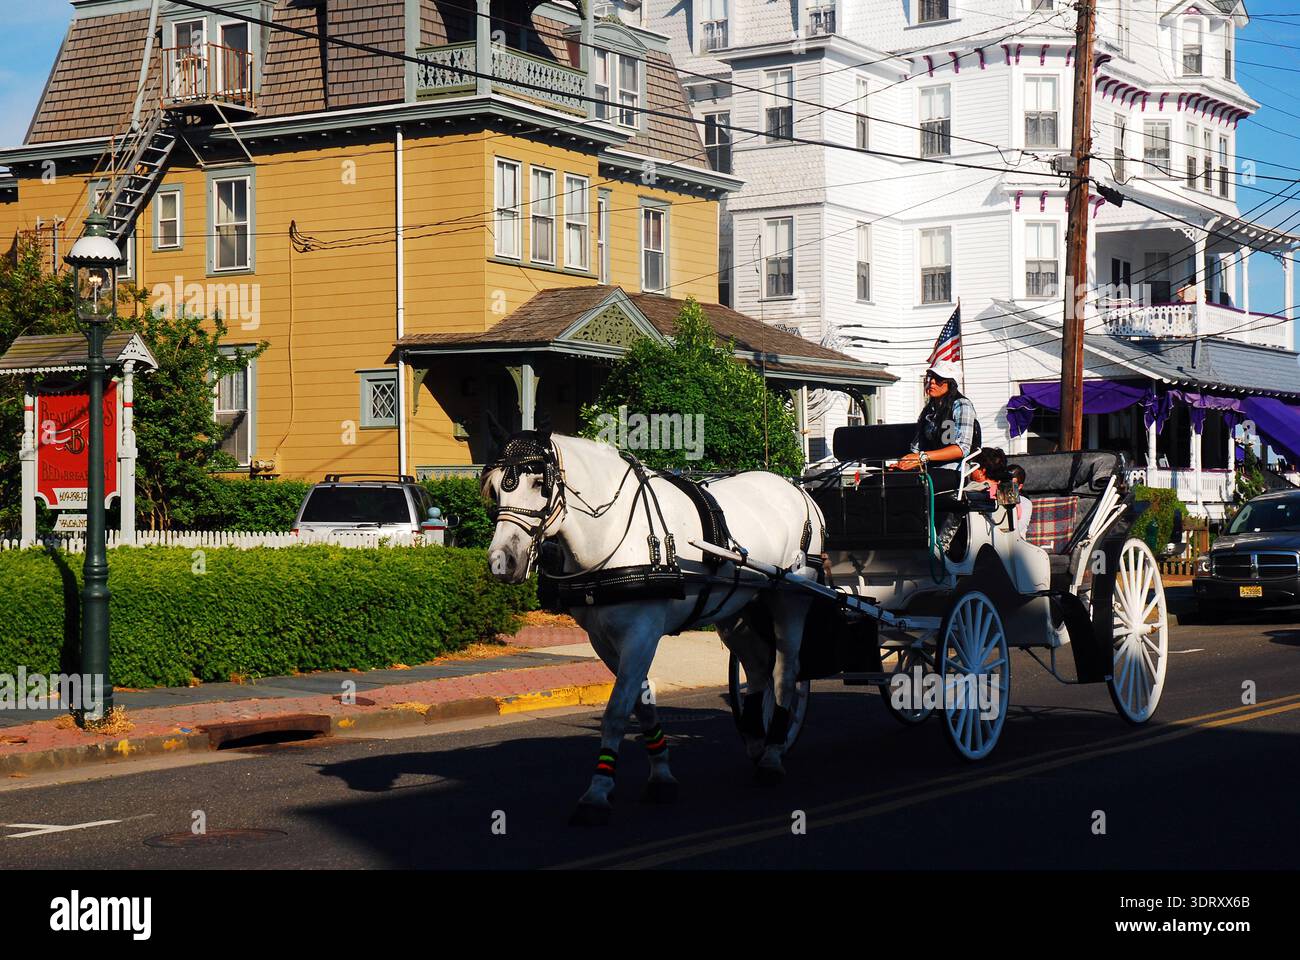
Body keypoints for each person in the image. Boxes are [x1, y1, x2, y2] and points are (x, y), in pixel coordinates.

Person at [892, 359, 982, 495]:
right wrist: (905, 464)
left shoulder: (962, 405)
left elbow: (962, 449)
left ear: (951, 384)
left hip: (953, 470)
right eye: (931, 377)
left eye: (939, 379)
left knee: (911, 486)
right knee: (881, 481)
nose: (932, 382)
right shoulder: (929, 410)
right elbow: (917, 449)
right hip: (928, 469)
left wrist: (922, 457)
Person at [1007, 464, 1032, 531]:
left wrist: (1016, 503)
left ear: (1019, 486)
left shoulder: (1025, 503)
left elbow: (1018, 528)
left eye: (1011, 483)